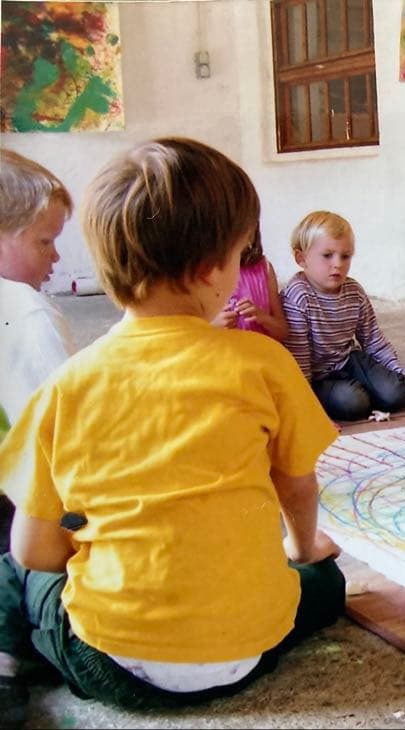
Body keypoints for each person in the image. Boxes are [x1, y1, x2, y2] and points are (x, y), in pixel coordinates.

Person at [0, 138, 345, 726]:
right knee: (325, 581)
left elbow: (36, 551)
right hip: (248, 650)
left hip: (108, 660)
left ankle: (11, 659)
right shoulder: (264, 364)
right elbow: (296, 487)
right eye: (241, 256)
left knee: (13, 571)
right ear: (213, 270)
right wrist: (302, 550)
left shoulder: (66, 385)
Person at [280, 210, 405, 422]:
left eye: (345, 256)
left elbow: (373, 339)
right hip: (318, 377)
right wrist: (306, 405)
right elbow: (297, 359)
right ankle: (369, 394)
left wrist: (399, 369)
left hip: (351, 361)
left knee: (395, 391)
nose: (337, 264)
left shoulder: (354, 291)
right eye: (327, 255)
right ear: (301, 258)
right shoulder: (297, 295)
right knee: (353, 403)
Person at [0, 150, 78, 557]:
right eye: (44, 241)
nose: (56, 256)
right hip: (20, 511)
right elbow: (66, 428)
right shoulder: (30, 314)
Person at [211, 224, 288, 340]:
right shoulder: (204, 272)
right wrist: (212, 326)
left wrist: (264, 318)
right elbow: (190, 335)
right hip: (223, 354)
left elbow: (283, 332)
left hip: (260, 353)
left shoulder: (264, 267)